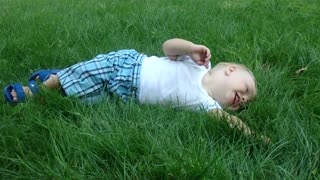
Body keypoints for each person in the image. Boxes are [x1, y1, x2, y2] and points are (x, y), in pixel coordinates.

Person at [3, 38, 269, 143]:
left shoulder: (207, 105)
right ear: (230, 70)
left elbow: (229, 121)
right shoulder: (199, 63)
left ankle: (56, 77)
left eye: (244, 103)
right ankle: (35, 90)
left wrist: (256, 136)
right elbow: (168, 47)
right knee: (85, 73)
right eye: (245, 90)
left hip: (125, 95)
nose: (243, 99)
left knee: (82, 98)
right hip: (127, 66)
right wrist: (189, 48)